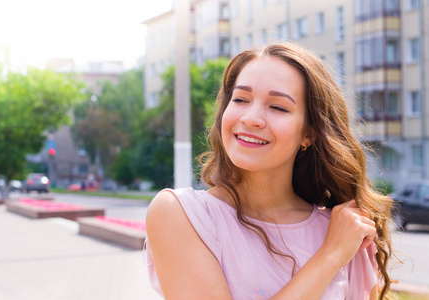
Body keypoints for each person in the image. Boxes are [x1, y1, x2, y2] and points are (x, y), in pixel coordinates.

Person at [145, 42, 394, 299]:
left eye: (277, 107)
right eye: (240, 99)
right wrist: (330, 255)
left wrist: (339, 245)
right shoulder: (183, 214)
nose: (251, 118)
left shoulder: (344, 230)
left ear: (308, 134)